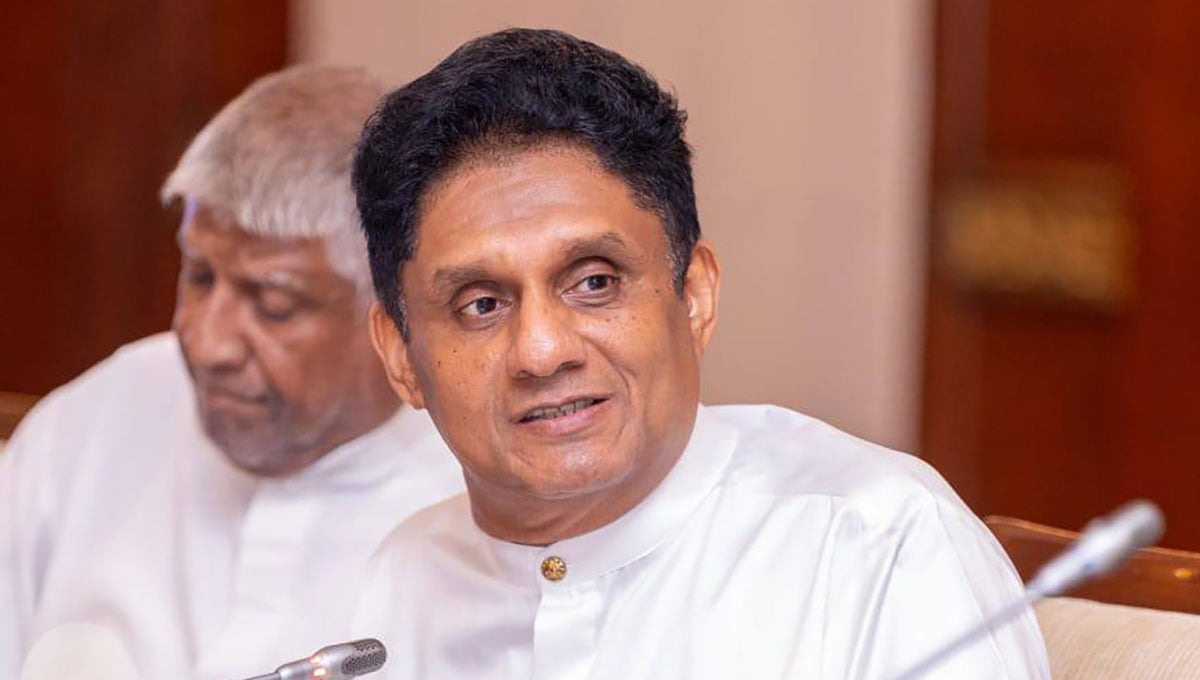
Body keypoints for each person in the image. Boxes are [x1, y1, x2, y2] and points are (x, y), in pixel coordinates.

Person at [350, 28, 1050, 679]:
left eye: (595, 282)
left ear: (695, 297)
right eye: (481, 304)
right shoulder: (406, 577)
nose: (542, 350)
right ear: (401, 356)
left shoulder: (875, 546)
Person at [0, 65, 463, 680]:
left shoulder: (481, 498)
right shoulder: (97, 420)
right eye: (199, 275)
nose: (207, 341)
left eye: (274, 303)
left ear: (390, 317)